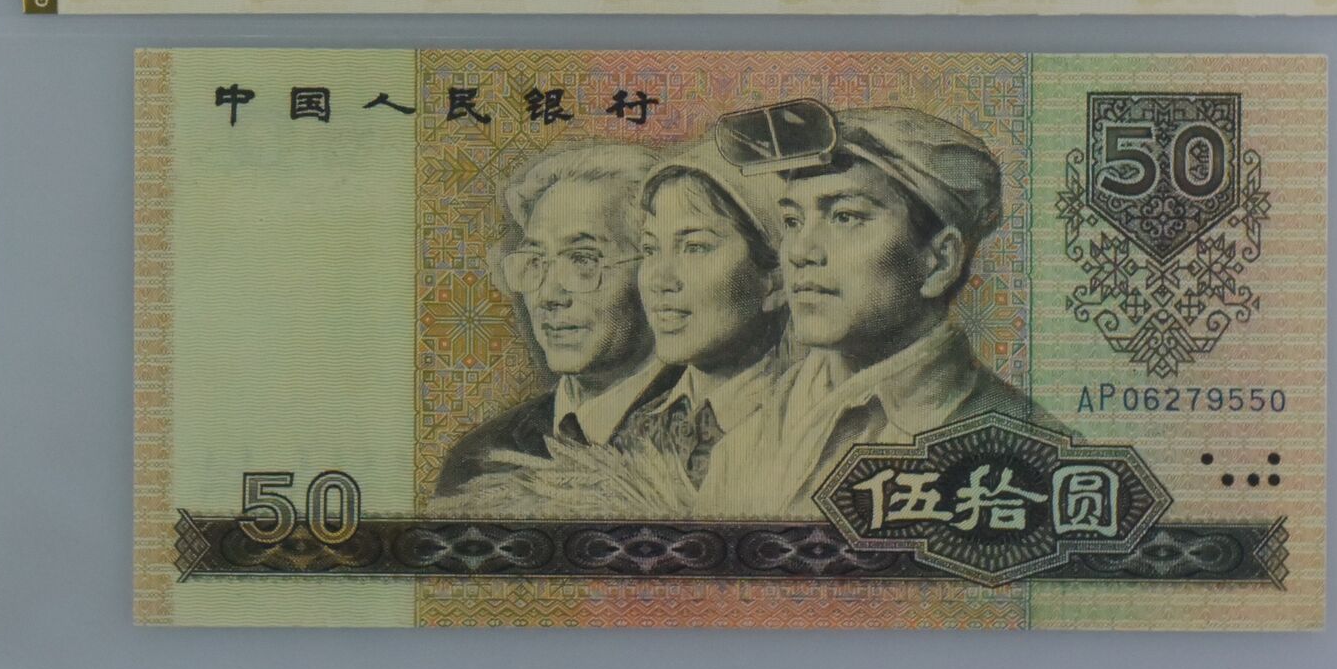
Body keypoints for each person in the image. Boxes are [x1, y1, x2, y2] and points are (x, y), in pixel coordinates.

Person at [710, 105, 1026, 518]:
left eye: (845, 217)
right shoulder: (747, 441)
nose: (801, 251)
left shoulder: (1015, 450)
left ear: (939, 261)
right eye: (792, 221)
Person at [433, 143, 680, 498]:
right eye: (534, 261)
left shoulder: (713, 438)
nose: (548, 296)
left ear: (654, 269)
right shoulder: (480, 458)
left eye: (583, 260)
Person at [616, 139, 790, 492]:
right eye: (650, 249)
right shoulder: (637, 429)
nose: (659, 280)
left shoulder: (802, 427)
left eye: (695, 247)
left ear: (774, 281)